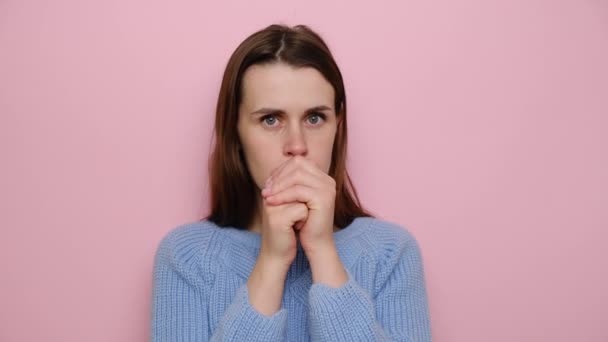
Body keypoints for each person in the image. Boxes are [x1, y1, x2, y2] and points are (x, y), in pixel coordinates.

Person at [150, 23, 431, 342]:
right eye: (270, 119)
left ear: (337, 125)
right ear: (236, 131)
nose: (296, 145)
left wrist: (323, 251)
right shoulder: (186, 257)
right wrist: (271, 262)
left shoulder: (391, 253)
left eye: (315, 118)